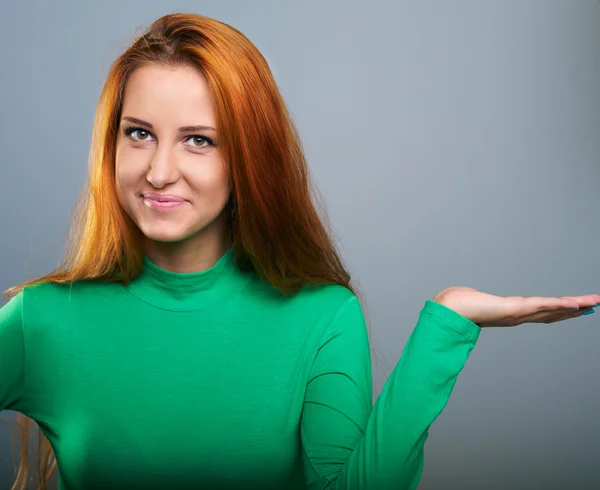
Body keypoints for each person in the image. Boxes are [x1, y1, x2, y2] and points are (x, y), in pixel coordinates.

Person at [0, 12, 597, 490]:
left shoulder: (322, 317)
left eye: (199, 141)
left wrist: (447, 323)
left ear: (250, 159)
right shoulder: (41, 320)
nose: (159, 171)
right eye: (139, 134)